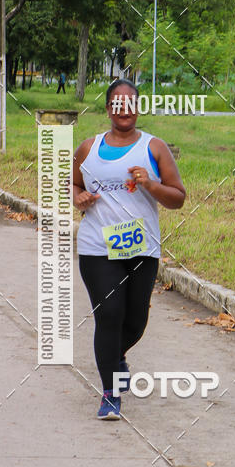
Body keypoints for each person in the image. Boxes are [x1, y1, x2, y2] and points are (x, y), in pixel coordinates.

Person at [72, 78, 186, 419]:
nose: (124, 110)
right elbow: (74, 183)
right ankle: (110, 392)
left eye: (130, 103)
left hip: (140, 248)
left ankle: (114, 358)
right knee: (108, 316)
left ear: (138, 108)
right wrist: (79, 198)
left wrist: (150, 184)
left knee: (135, 321)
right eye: (117, 104)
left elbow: (178, 198)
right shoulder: (88, 148)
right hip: (97, 247)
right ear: (108, 109)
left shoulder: (154, 148)